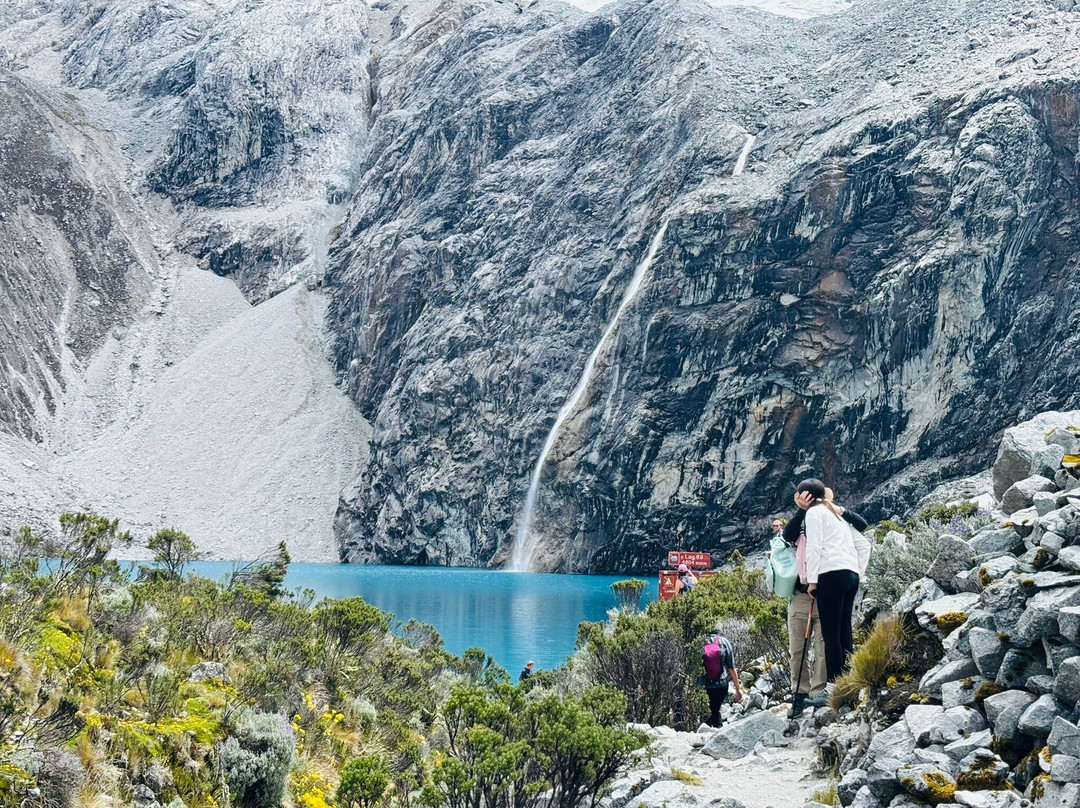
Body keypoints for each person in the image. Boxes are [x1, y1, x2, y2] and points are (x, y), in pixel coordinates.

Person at [781, 488, 869, 716]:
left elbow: (861, 526)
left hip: (823, 585)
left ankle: (826, 691)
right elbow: (787, 536)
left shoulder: (832, 519)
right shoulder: (805, 519)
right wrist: (801, 512)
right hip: (803, 595)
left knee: (826, 643)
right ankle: (802, 695)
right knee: (801, 646)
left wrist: (814, 581)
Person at [701, 634, 743, 727]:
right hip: (722, 685)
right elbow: (731, 668)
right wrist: (738, 689)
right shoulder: (724, 641)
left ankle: (705, 732)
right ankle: (718, 730)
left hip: (705, 685)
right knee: (716, 710)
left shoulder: (698, 641)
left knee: (706, 713)